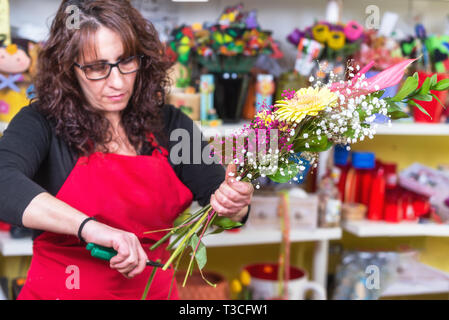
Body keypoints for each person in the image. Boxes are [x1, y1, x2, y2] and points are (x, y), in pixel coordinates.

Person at [0, 0, 253, 300]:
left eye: (126, 61)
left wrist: (236, 203)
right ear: (68, 69)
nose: (117, 82)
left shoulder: (171, 126)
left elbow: (222, 200)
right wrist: (88, 228)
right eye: (97, 67)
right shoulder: (41, 123)